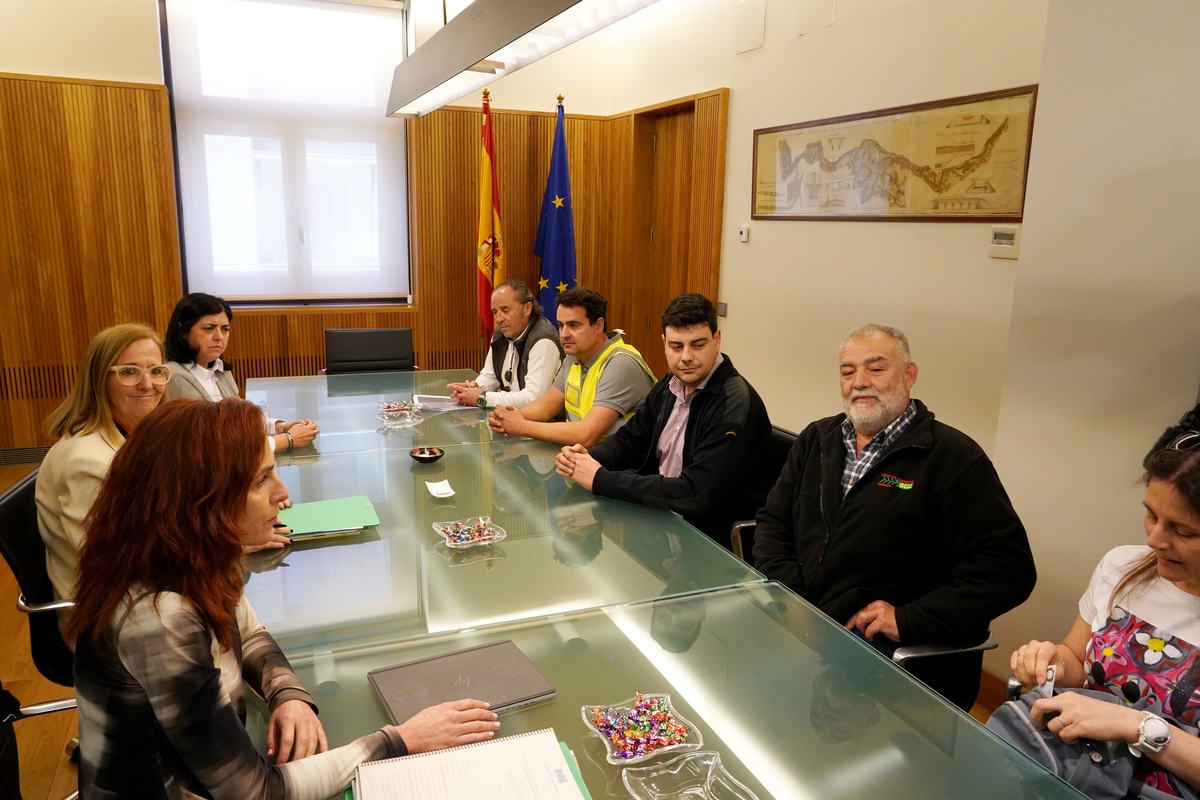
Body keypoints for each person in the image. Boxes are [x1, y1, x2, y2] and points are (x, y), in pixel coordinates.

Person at [68, 398, 499, 797]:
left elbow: (248, 630)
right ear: (201, 499)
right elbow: (256, 791)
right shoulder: (159, 618)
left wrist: (287, 693)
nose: (283, 494)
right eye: (261, 478)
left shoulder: (193, 555)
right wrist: (401, 739)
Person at [752, 323, 1036, 710]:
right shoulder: (817, 439)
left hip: (888, 663)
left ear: (909, 375)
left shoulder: (953, 459)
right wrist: (792, 598)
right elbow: (773, 522)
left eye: (876, 368)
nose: (859, 382)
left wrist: (908, 619)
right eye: (847, 371)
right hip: (806, 630)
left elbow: (1008, 569)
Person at [1007, 439, 1200, 797]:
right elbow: (1077, 657)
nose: (1155, 539)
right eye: (1151, 515)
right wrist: (1053, 662)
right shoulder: (1122, 567)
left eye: (1184, 531)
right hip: (1072, 774)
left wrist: (1137, 726)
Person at [554, 293, 771, 550]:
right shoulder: (670, 385)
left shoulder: (733, 403)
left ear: (717, 340)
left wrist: (600, 479)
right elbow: (631, 440)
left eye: (698, 345)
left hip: (714, 544)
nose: (686, 357)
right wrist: (588, 458)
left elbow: (696, 493)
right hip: (663, 526)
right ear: (664, 343)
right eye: (677, 346)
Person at [36, 323, 171, 607]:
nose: (148, 384)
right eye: (129, 371)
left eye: (156, 371)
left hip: (145, 593)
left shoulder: (137, 436)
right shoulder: (85, 460)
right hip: (110, 615)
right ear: (99, 380)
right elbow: (115, 564)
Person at [488, 287, 654, 448]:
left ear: (598, 325)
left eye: (574, 325)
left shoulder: (620, 364)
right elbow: (546, 406)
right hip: (584, 461)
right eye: (561, 325)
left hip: (625, 469)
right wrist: (509, 417)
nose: (564, 334)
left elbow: (586, 435)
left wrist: (521, 426)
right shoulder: (574, 357)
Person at [163, 292, 318, 454]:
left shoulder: (219, 369)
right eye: (209, 329)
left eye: (225, 329)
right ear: (183, 332)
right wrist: (287, 440)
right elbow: (217, 444)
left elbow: (238, 422)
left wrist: (281, 426)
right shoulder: (176, 376)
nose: (219, 337)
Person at [447, 279, 563, 409]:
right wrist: (473, 388)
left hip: (543, 424)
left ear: (527, 309)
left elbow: (534, 399)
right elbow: (490, 376)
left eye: (505, 310)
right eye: (495, 312)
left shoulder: (543, 341)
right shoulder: (500, 334)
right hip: (512, 419)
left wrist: (482, 397)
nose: (499, 319)